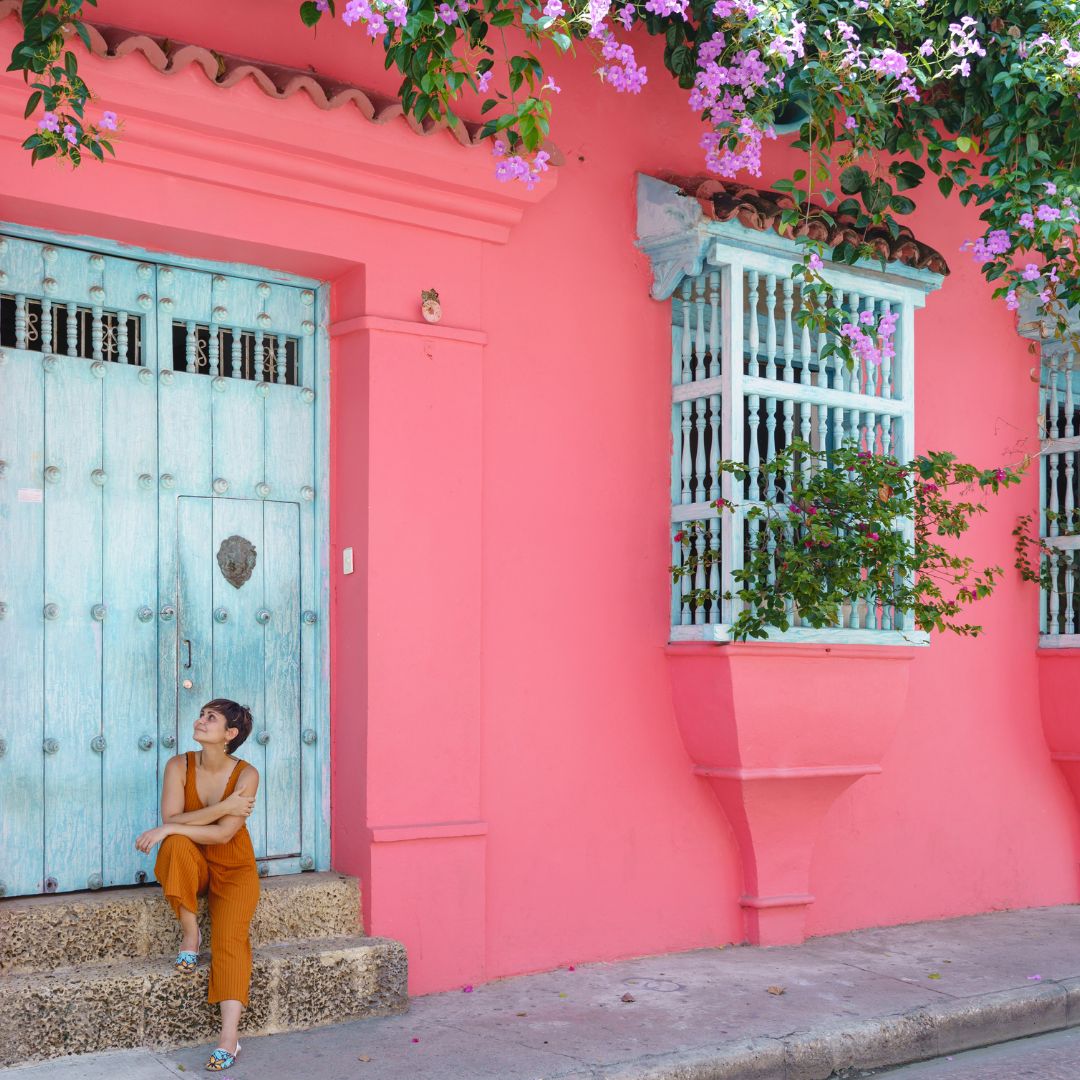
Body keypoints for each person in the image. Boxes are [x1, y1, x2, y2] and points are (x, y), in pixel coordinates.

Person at [135, 700, 260, 1072]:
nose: (200, 721)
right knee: (173, 845)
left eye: (211, 718)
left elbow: (223, 835)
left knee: (231, 941)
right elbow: (173, 820)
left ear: (230, 735)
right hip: (193, 860)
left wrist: (172, 825)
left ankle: (229, 1039)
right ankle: (191, 934)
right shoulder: (179, 765)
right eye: (202, 715)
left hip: (234, 866)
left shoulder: (247, 775)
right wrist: (214, 811)